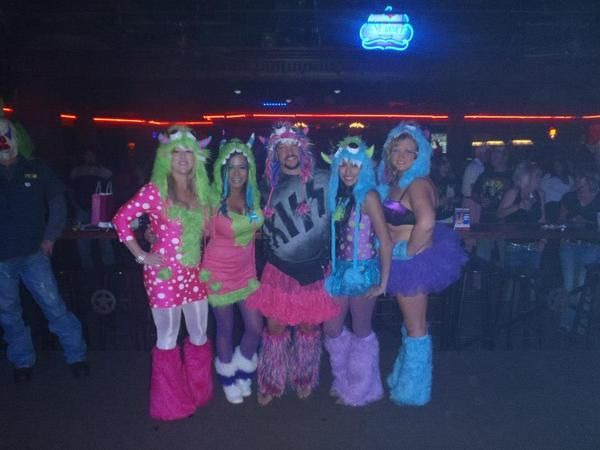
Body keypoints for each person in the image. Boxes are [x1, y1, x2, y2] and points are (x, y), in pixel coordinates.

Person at [112, 125, 213, 421]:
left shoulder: (201, 191)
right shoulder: (155, 191)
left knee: (199, 333)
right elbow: (120, 219)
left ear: (196, 157)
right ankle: (170, 403)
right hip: (164, 276)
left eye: (188, 152)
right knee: (167, 336)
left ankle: (197, 390)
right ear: (165, 157)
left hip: (194, 273)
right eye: (175, 151)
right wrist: (142, 255)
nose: (182, 157)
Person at [246, 122, 339, 405]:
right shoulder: (265, 188)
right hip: (278, 269)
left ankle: (304, 377)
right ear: (274, 155)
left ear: (303, 149)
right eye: (282, 148)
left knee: (309, 328)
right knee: (275, 328)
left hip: (313, 269)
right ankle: (271, 381)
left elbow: (356, 197)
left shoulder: (325, 179)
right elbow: (248, 221)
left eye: (293, 146)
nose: (288, 152)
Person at [378, 122, 467, 406]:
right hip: (403, 259)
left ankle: (414, 391)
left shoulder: (417, 183)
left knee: (416, 326)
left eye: (409, 151)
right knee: (412, 323)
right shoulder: (401, 182)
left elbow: (427, 222)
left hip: (412, 262)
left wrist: (407, 251)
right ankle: (402, 377)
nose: (402, 156)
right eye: (396, 149)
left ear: (421, 155)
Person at [0, 117, 88, 383]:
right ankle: (22, 361)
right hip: (1, 259)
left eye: (6, 135)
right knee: (9, 313)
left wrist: (50, 237)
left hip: (34, 255)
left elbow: (58, 204)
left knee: (54, 306)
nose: (3, 142)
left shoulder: (37, 170)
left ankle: (77, 356)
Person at [321, 137, 392, 406]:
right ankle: (344, 380)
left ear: (364, 168)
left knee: (362, 330)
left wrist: (383, 283)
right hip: (339, 271)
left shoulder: (368, 196)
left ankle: (361, 389)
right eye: (343, 165)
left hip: (363, 272)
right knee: (331, 327)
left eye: (355, 165)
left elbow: (386, 241)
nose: (348, 171)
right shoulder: (338, 195)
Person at [201, 138, 264, 404]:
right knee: (225, 328)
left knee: (255, 327)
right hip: (218, 274)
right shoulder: (212, 200)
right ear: (223, 170)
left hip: (246, 274)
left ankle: (243, 365)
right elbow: (193, 229)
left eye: (242, 167)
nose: (237, 173)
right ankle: (228, 377)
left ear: (249, 170)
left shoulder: (252, 198)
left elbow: (255, 227)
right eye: (232, 167)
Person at [558, 168, 600, 331]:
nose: (577, 187)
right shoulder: (569, 197)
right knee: (569, 285)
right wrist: (571, 221)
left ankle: (581, 325)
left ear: (591, 184)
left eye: (581, 184)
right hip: (569, 244)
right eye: (576, 183)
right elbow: (560, 221)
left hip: (591, 245)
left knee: (583, 284)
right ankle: (566, 323)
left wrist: (588, 223)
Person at [68, 148, 115, 268]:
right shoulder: (76, 171)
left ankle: (109, 267)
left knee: (104, 237)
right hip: (81, 208)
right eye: (87, 155)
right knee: (81, 238)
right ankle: (87, 268)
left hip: (100, 210)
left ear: (96, 156)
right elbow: (71, 189)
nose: (89, 157)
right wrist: (74, 204)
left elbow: (111, 189)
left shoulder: (104, 171)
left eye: (91, 155)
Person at [497, 162, 546, 270]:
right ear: (526, 177)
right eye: (536, 176)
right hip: (514, 246)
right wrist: (517, 206)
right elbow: (499, 214)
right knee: (513, 278)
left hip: (534, 246)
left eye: (539, 177)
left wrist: (543, 240)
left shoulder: (540, 194)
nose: (538, 180)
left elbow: (542, 219)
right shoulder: (513, 193)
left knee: (532, 278)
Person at [471, 146, 512, 263]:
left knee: (505, 260)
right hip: (486, 221)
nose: (493, 156)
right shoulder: (485, 174)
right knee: (482, 259)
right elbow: (474, 193)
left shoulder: (512, 176)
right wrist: (481, 200)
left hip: (505, 223)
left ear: (505, 157)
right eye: (492, 154)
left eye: (496, 153)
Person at [540, 154, 574, 224]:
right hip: (551, 206)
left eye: (558, 165)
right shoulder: (548, 177)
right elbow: (542, 192)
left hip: (565, 206)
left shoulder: (570, 178)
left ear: (563, 166)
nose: (556, 168)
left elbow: (572, 193)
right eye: (555, 166)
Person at [461, 144, 489, 223]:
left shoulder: (476, 165)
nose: (488, 156)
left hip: (469, 201)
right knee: (470, 228)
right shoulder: (475, 167)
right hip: (471, 202)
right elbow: (473, 188)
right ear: (481, 154)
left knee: (466, 227)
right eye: (487, 153)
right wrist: (481, 203)